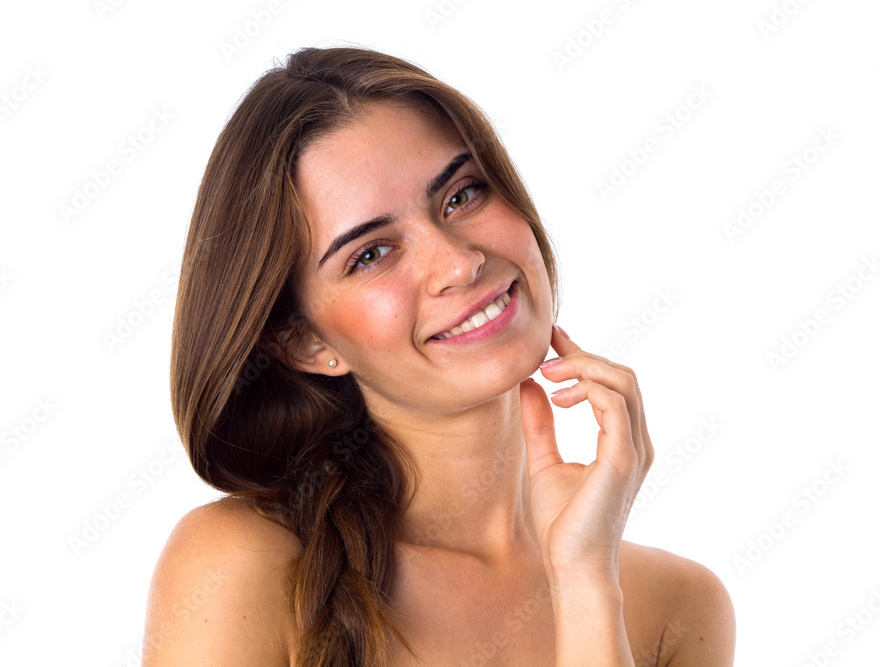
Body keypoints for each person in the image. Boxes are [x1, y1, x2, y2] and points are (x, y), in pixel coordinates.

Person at [142, 45, 736, 666]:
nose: (460, 263)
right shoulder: (238, 566)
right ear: (305, 342)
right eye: (371, 254)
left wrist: (585, 581)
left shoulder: (678, 605)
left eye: (462, 195)